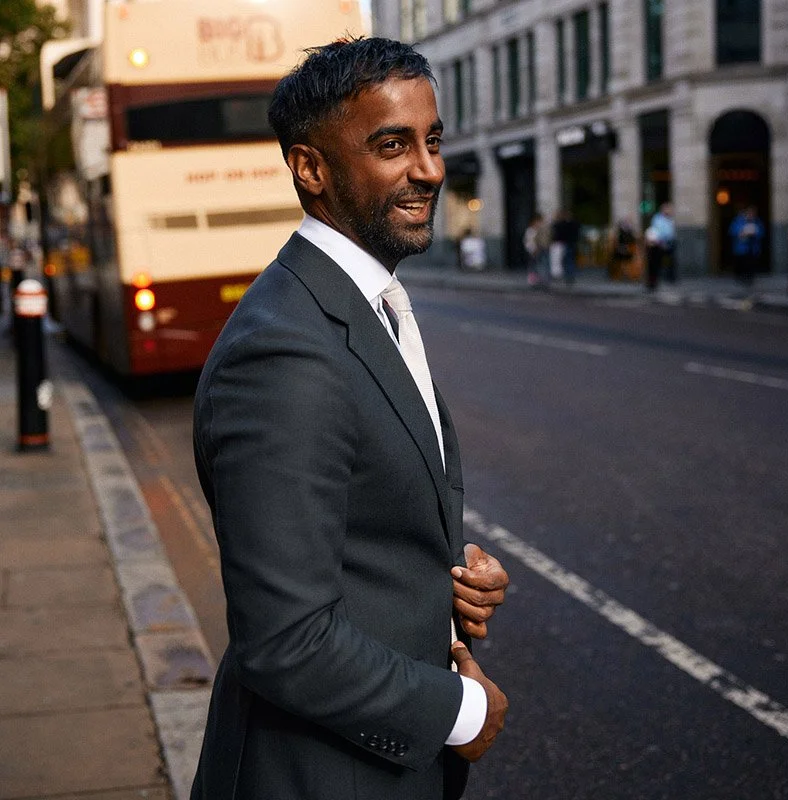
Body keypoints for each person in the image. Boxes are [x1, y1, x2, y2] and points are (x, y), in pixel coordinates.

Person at [190, 37, 509, 800]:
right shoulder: (284, 351)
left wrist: (443, 574)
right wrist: (462, 712)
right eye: (393, 145)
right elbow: (285, 640)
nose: (429, 169)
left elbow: (354, 518)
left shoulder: (367, 304)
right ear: (311, 167)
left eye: (432, 141)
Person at [728, 205, 765, 286]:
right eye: (749, 213)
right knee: (741, 265)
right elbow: (732, 231)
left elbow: (761, 232)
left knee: (751, 265)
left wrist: (755, 233)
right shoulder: (738, 220)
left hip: (753, 249)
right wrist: (741, 233)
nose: (751, 215)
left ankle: (750, 279)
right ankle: (741, 279)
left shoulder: (757, 221)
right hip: (741, 248)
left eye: (753, 213)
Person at [646, 202, 676, 287]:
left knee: (671, 261)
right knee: (656, 262)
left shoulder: (670, 219)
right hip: (659, 243)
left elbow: (671, 230)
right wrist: (661, 242)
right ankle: (654, 280)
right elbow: (656, 231)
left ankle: (670, 278)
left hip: (670, 242)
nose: (669, 210)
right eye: (667, 209)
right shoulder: (657, 219)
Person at [550, 209, 580, 285]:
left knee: (567, 260)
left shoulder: (563, 224)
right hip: (570, 243)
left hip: (566, 243)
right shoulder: (574, 223)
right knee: (569, 260)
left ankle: (568, 276)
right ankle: (570, 276)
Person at [523, 212, 550, 286]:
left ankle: (540, 279)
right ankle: (533, 280)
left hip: (541, 248)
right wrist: (532, 249)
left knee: (541, 264)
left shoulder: (541, 229)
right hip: (533, 249)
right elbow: (529, 241)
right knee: (534, 265)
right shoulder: (530, 230)